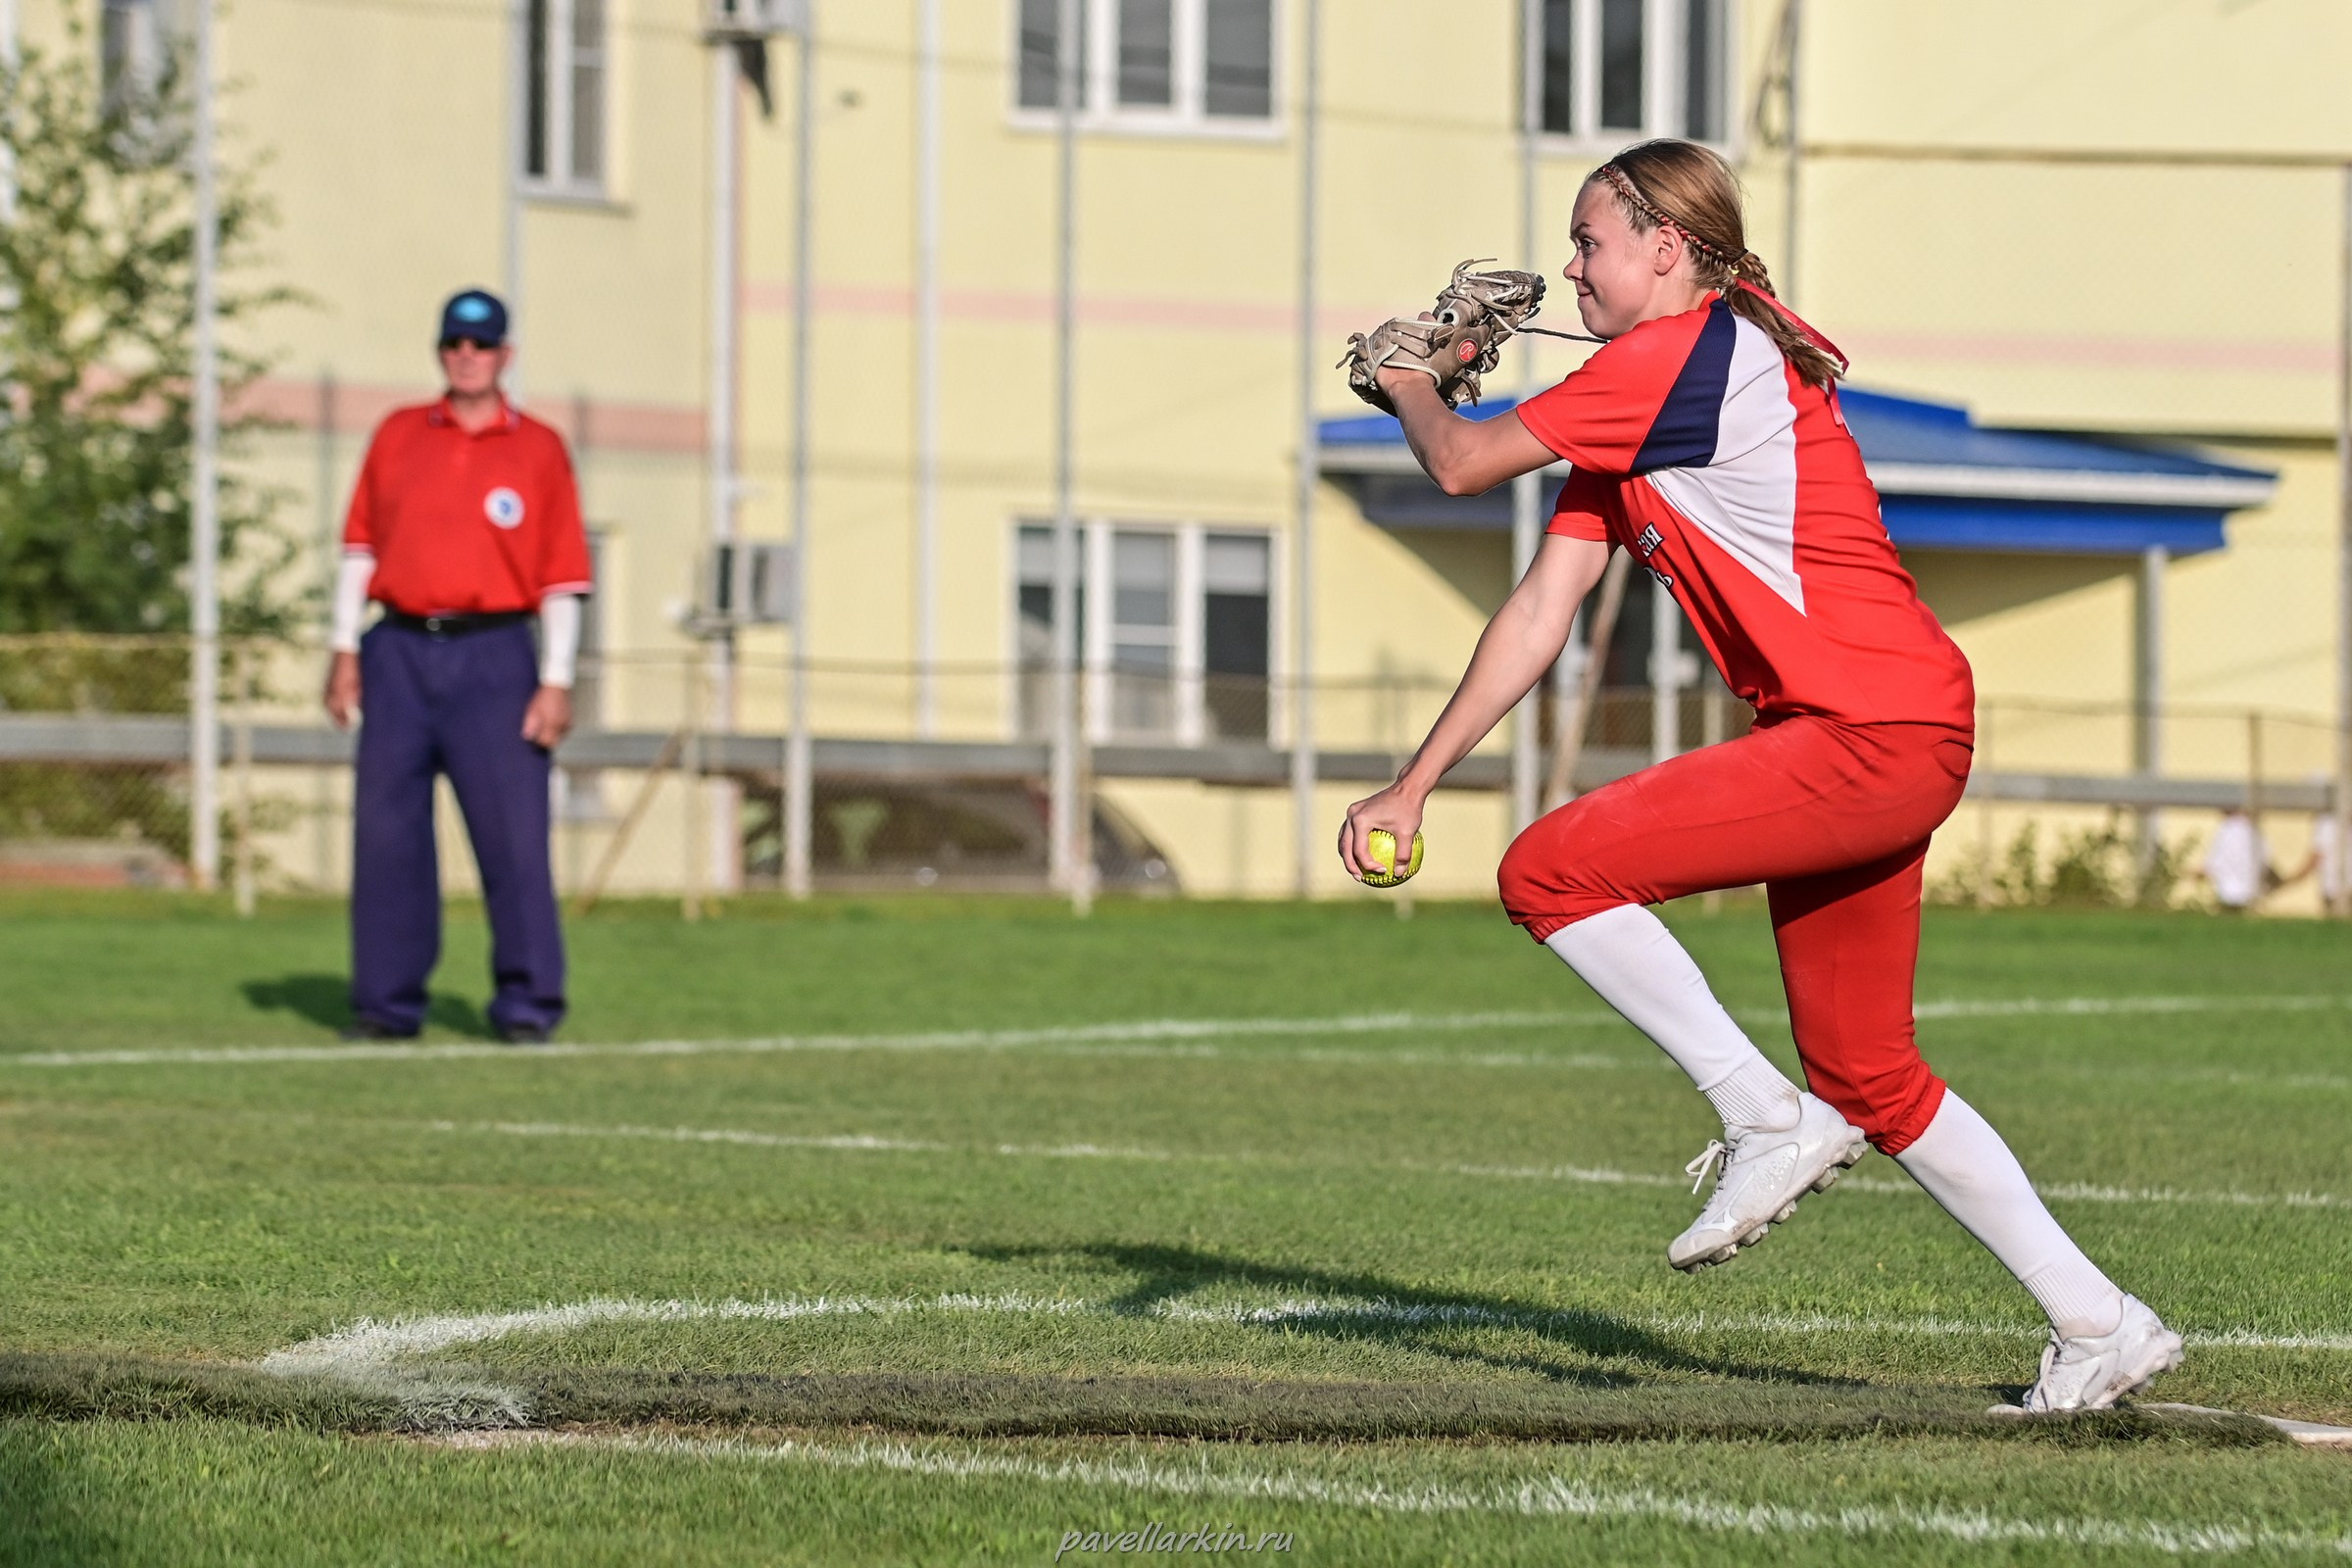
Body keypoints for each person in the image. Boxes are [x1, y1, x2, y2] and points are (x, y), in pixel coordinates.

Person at [1338, 140, 2179, 1412]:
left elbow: (1457, 462)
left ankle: (1761, 1116)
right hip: (1881, 731)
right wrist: (1414, 783)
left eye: (1591, 243)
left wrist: (1409, 379)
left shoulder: (1668, 362)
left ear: (1666, 250)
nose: (1571, 268)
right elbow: (1538, 612)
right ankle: (2099, 1321)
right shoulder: (1655, 383)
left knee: (1551, 871)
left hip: (1864, 734)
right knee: (1869, 1072)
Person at [322, 289, 593, 1044]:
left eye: (481, 345)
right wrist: (345, 646)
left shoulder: (537, 449)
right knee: (388, 834)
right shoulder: (401, 435)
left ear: (504, 355)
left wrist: (557, 678)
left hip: (495, 655)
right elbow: (360, 547)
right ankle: (385, 1001)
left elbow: (563, 575)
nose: (467, 357)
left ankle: (527, 1002)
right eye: (455, 344)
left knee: (511, 835)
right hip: (400, 648)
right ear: (441, 351)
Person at [2198, 806, 2270, 912]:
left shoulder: (2228, 828)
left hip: (2227, 894)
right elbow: (2264, 861)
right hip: (2250, 894)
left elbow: (2214, 865)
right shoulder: (2253, 829)